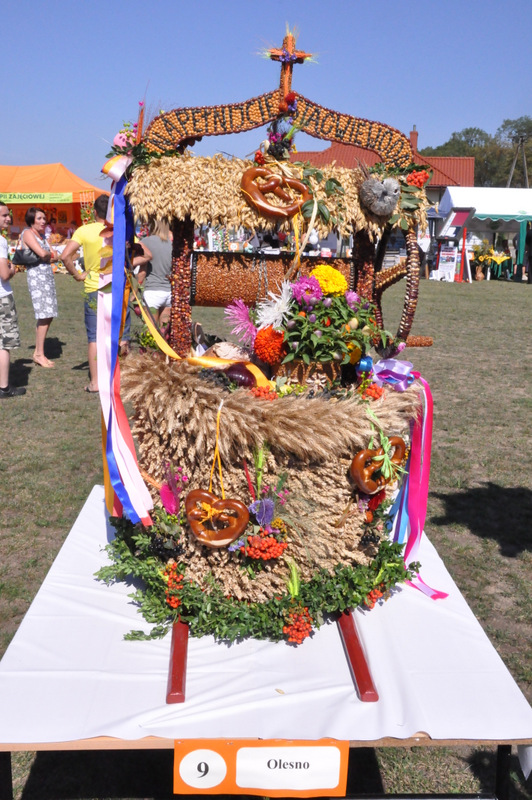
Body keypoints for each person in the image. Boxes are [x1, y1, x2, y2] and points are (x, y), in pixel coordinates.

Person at [61, 195, 149, 393]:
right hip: (118, 288)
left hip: (93, 288)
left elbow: (65, 256)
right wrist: (124, 264)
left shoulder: (84, 230)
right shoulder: (120, 230)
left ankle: (95, 382)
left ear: (94, 212)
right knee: (122, 334)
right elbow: (147, 255)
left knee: (94, 337)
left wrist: (77, 275)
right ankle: (125, 380)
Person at [20, 207, 65, 368]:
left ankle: (39, 352)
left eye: (44, 218)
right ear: (31, 219)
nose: (43, 221)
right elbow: (43, 253)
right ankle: (39, 353)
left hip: (46, 277)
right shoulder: (27, 233)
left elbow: (54, 255)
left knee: (48, 314)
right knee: (45, 314)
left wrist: (48, 255)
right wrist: (47, 255)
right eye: (39, 218)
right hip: (37, 278)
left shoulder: (42, 236)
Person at [0, 203, 25, 397]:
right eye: (4, 215)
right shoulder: (1, 241)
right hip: (2, 297)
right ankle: (4, 387)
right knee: (4, 343)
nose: (8, 218)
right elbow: (4, 274)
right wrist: (13, 268)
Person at [137, 220, 172, 326]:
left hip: (152, 291)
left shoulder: (146, 242)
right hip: (169, 292)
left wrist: (135, 290)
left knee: (150, 331)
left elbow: (142, 271)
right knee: (164, 331)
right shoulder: (171, 244)